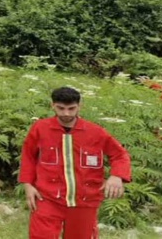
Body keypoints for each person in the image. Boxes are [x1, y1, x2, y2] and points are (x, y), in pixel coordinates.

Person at [19, 86, 132, 239]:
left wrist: (117, 176)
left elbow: (120, 155)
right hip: (47, 196)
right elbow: (28, 156)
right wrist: (28, 185)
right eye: (61, 108)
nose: (66, 113)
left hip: (85, 199)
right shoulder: (40, 128)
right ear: (52, 105)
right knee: (40, 235)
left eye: (71, 108)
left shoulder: (95, 132)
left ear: (79, 106)